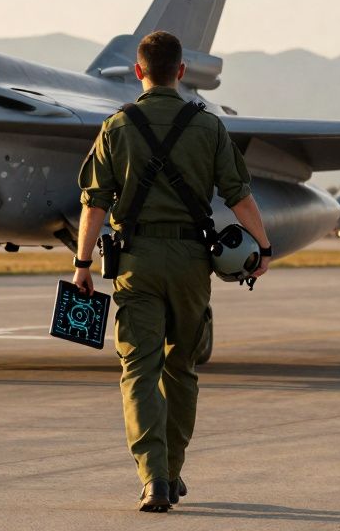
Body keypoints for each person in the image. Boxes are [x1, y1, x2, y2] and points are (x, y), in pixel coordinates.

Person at [73, 30, 271, 513]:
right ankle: (172, 472)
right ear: (181, 72)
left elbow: (94, 204)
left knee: (138, 371)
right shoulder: (208, 127)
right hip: (190, 265)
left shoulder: (117, 126)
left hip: (135, 264)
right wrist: (263, 247)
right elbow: (238, 195)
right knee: (181, 369)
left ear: (138, 71)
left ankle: (153, 478)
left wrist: (81, 265)